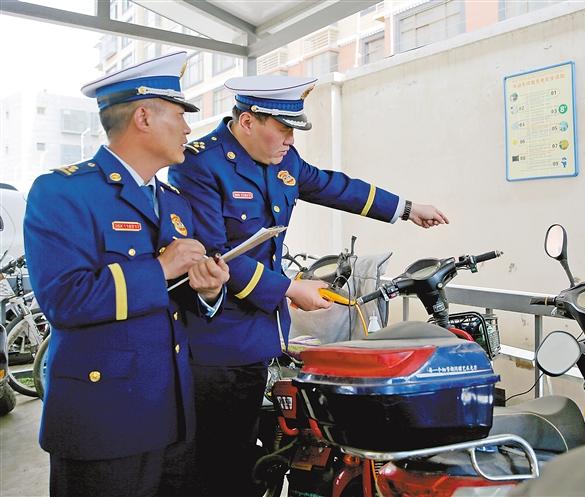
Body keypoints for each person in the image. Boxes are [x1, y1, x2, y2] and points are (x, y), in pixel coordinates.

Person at [168, 74, 449, 496]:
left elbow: (335, 187)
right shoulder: (199, 164)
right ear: (247, 121)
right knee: (215, 460)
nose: (290, 140)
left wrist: (407, 209)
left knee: (244, 450)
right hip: (215, 340)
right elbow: (213, 255)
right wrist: (287, 289)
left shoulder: (285, 159)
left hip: (261, 333)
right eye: (283, 129)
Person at [24, 51, 230, 497]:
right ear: (144, 117)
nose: (189, 129)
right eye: (180, 115)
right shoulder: (63, 192)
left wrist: (207, 290)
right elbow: (65, 301)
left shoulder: (173, 201)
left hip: (172, 413)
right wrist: (159, 268)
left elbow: (175, 299)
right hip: (104, 421)